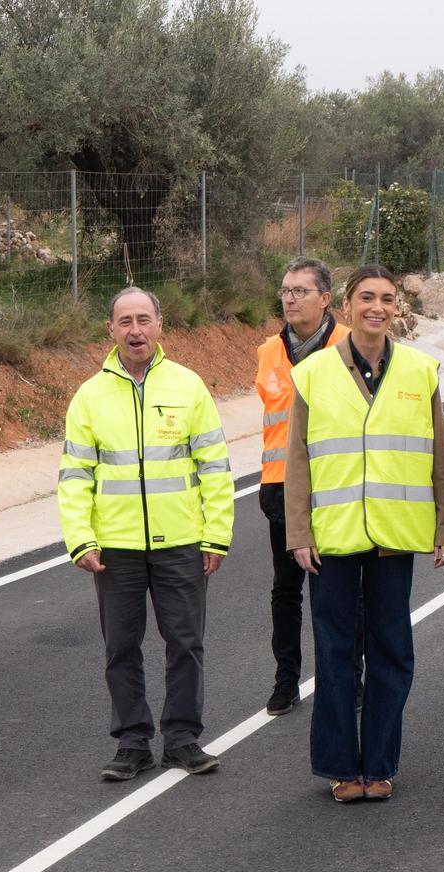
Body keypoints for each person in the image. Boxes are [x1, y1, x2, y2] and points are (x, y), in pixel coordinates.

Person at [286, 264, 444, 803]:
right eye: (366, 297)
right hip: (332, 537)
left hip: (394, 535)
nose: (376, 307)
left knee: (392, 651)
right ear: (348, 302)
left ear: (396, 308)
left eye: (386, 298)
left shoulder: (420, 371)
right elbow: (297, 459)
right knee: (336, 652)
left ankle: (379, 764)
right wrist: (298, 531)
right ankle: (341, 765)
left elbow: (440, 458)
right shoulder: (313, 373)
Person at [58, 286, 234, 781]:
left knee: (185, 642)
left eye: (144, 319)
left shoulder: (189, 386)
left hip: (181, 542)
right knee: (121, 647)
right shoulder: (89, 397)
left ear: (161, 325)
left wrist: (215, 535)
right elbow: (74, 477)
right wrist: (81, 539)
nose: (135, 330)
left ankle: (181, 739)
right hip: (115, 549)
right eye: (125, 321)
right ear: (110, 330)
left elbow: (215, 469)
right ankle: (132, 743)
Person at [255, 256, 364, 717]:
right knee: (286, 590)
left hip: (336, 488)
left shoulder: (351, 345)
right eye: (285, 291)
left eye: (301, 291)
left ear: (325, 299)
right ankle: (286, 679)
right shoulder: (267, 351)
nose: (291, 299)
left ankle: (348, 676)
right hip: (281, 489)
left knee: (339, 591)